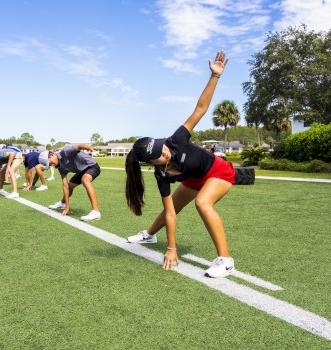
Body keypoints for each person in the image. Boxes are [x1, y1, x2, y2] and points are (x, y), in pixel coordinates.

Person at [125, 50, 234, 278]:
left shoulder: (176, 140)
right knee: (171, 206)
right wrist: (171, 248)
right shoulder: (160, 174)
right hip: (194, 178)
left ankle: (225, 261)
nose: (165, 152)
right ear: (150, 163)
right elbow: (171, 213)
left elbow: (200, 109)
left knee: (203, 203)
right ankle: (150, 234)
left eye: (163, 147)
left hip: (218, 171)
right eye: (159, 155)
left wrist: (215, 76)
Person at [47, 144, 101, 221]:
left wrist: (90, 147)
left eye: (50, 162)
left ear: (52, 155)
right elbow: (65, 186)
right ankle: (63, 203)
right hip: (81, 171)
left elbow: (79, 146)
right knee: (69, 186)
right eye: (49, 165)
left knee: (85, 179)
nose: (51, 165)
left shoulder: (65, 151)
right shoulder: (59, 167)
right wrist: (67, 206)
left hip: (92, 166)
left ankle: (96, 212)